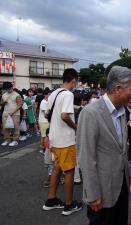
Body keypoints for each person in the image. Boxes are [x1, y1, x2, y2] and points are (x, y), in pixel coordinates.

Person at [77, 66, 131, 225]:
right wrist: (92, 194)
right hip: (101, 191)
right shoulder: (91, 113)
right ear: (118, 88)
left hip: (121, 185)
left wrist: (128, 175)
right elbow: (85, 157)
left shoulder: (122, 111)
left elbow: (122, 149)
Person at [42, 68, 82, 216]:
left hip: (54, 139)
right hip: (66, 140)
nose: (75, 84)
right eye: (76, 82)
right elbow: (65, 115)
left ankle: (51, 200)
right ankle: (69, 205)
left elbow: (47, 114)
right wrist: (76, 127)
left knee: (57, 169)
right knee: (70, 171)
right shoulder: (68, 94)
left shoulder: (54, 93)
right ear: (73, 80)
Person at [0, 82, 22, 146]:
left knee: (16, 127)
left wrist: (12, 112)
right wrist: (3, 102)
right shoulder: (4, 94)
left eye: (9, 88)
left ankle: (15, 140)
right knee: (5, 127)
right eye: (6, 89)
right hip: (6, 113)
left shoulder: (17, 95)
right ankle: (7, 140)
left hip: (15, 114)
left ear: (12, 87)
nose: (8, 90)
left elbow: (19, 105)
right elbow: (1, 103)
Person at [38, 89, 50, 153]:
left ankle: (44, 148)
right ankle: (42, 148)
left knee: (45, 135)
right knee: (44, 135)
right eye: (48, 94)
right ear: (45, 95)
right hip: (43, 121)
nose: (49, 95)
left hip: (45, 121)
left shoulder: (47, 101)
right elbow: (45, 113)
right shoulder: (43, 102)